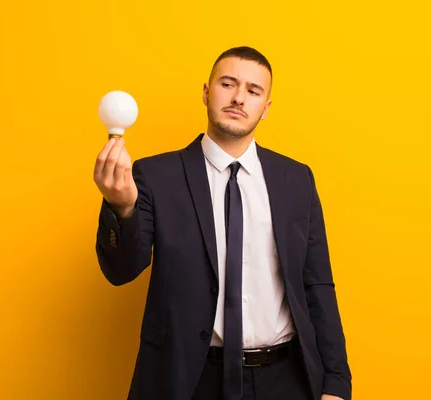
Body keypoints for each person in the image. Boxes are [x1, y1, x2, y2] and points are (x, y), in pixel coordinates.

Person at [93, 46, 352, 400]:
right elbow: (122, 270)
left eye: (253, 91)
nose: (239, 98)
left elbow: (318, 284)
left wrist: (336, 381)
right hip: (189, 380)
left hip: (285, 380)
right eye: (228, 84)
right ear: (206, 92)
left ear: (266, 108)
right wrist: (121, 207)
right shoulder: (155, 176)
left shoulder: (296, 180)